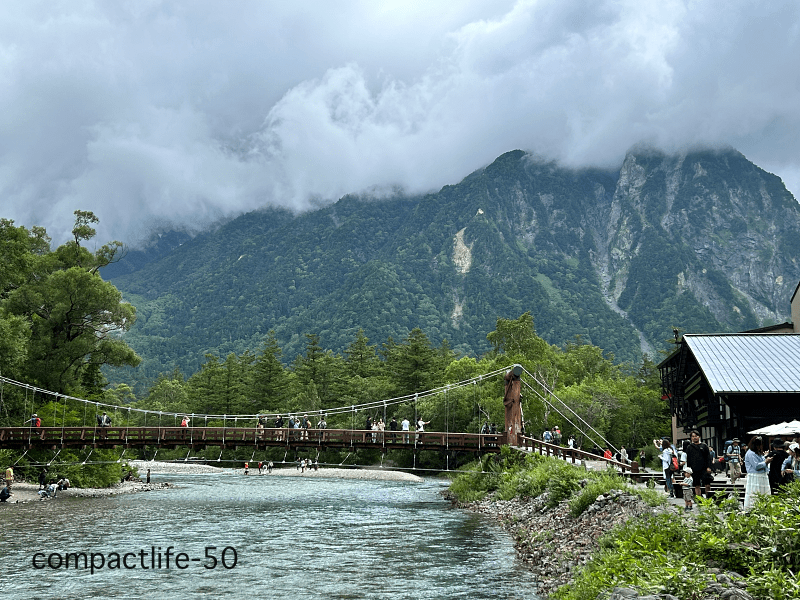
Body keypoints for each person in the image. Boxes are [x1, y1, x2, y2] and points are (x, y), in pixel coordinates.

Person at [744, 436, 772, 511]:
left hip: (761, 475)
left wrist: (765, 458)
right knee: (755, 492)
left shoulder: (757, 453)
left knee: (762, 493)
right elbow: (756, 466)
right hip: (755, 476)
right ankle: (752, 509)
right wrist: (766, 462)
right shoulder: (751, 453)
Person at [683, 430, 713, 499]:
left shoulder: (704, 446)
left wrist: (709, 467)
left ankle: (708, 498)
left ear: (699, 436)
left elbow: (708, 457)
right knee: (697, 485)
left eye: (696, 436)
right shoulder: (689, 447)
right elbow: (689, 459)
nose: (694, 438)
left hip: (704, 468)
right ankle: (699, 499)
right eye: (693, 436)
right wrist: (688, 470)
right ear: (691, 438)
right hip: (694, 469)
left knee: (707, 484)